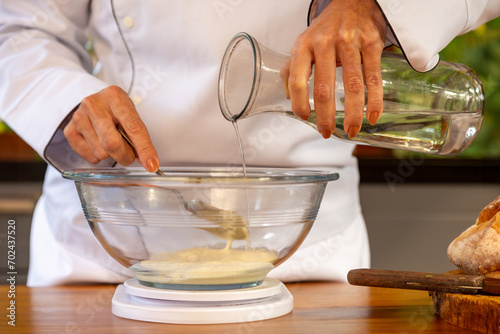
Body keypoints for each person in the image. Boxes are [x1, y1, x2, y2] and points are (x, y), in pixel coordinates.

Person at [0, 0, 498, 287]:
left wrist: (378, 6)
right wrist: (67, 99)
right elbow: (16, 28)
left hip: (304, 259)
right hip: (105, 251)